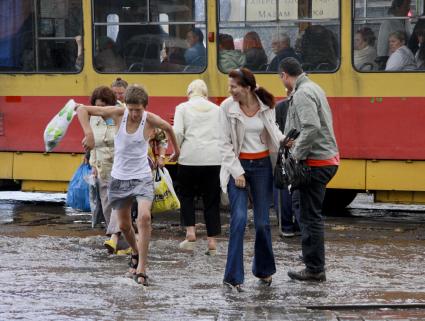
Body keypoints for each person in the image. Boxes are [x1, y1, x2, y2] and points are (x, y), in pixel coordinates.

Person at [75, 85, 180, 286]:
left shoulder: (150, 120)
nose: (133, 114)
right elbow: (82, 109)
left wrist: (177, 152)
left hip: (142, 177)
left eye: (138, 110)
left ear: (145, 107)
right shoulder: (118, 113)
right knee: (124, 225)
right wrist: (88, 133)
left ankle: (142, 267)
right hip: (119, 178)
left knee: (144, 217)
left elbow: (168, 128)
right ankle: (135, 250)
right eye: (131, 109)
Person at [220, 68, 287, 291]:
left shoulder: (265, 105)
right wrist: (237, 172)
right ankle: (233, 277)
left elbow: (273, 130)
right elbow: (224, 144)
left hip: (262, 168)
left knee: (262, 223)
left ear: (248, 87)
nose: (230, 91)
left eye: (234, 87)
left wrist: (285, 141)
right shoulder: (226, 108)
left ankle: (264, 269)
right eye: (230, 86)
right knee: (238, 220)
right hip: (237, 168)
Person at [278, 57, 339, 282]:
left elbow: (311, 127)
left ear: (284, 75)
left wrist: (295, 155)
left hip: (315, 162)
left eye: (281, 78)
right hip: (323, 159)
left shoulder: (302, 93)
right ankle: (312, 259)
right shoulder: (313, 87)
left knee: (308, 215)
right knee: (303, 209)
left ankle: (314, 268)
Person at [173, 79, 222, 255]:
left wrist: (176, 151)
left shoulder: (182, 108)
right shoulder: (217, 110)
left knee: (186, 195)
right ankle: (212, 243)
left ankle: (191, 233)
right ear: (205, 94)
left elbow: (177, 132)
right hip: (213, 159)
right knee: (211, 200)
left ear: (189, 93)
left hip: (189, 158)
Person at [87, 86, 131, 255]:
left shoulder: (121, 113)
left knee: (118, 203)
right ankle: (125, 244)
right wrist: (93, 164)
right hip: (101, 167)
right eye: (97, 106)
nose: (100, 110)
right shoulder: (94, 118)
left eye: (103, 107)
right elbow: (92, 145)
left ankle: (113, 237)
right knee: (107, 205)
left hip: (120, 166)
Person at [274, 99, 301, 238]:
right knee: (299, 192)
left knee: (283, 190)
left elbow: (275, 132)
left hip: (284, 156)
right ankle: (299, 226)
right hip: (301, 156)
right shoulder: (306, 105)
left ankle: (286, 226)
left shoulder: (280, 107)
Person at [377, 0, 412, 66]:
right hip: (393, 62)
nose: (409, 8)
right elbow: (381, 50)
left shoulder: (407, 21)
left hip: (407, 60)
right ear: (397, 7)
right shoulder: (387, 23)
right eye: (406, 6)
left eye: (409, 5)